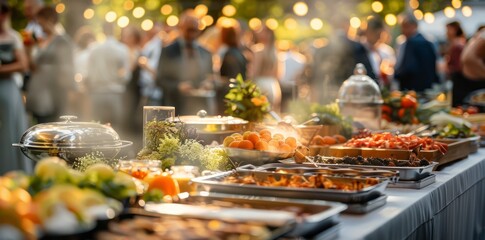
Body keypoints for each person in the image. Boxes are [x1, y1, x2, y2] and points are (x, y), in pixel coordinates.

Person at [156, 10, 214, 115]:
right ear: (181, 28)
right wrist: (178, 86)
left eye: (196, 30)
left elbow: (210, 77)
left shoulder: (206, 52)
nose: (192, 34)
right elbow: (160, 80)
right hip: (175, 107)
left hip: (199, 109)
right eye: (189, 30)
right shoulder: (168, 51)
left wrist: (208, 84)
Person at [310, 16, 375, 104]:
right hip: (354, 100)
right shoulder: (358, 47)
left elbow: (315, 82)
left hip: (328, 102)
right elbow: (370, 76)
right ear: (347, 26)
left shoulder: (321, 50)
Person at [25, 6, 74, 123]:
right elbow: (33, 68)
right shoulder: (41, 42)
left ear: (50, 19)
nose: (39, 25)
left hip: (53, 92)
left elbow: (67, 68)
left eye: (40, 21)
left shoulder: (62, 40)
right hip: (39, 91)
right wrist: (29, 51)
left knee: (52, 125)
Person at [0, 3, 33, 174]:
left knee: (9, 128)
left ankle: (11, 170)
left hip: (7, 88)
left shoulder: (13, 37)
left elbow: (23, 64)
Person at [86, 22, 131, 134]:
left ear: (102, 31)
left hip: (97, 92)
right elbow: (126, 75)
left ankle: (96, 151)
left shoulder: (93, 48)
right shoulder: (122, 49)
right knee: (116, 129)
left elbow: (89, 73)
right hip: (115, 92)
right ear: (114, 31)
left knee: (96, 127)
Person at [394, 14, 440, 92]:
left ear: (414, 26)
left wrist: (396, 75)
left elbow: (408, 67)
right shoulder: (428, 41)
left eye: (405, 26)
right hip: (426, 87)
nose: (403, 30)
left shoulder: (411, 42)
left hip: (412, 89)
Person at [217, 24, 248, 114]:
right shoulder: (239, 52)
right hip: (239, 94)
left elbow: (231, 77)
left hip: (230, 96)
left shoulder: (229, 53)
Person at [250, 26, 281, 112]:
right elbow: (279, 74)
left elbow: (254, 72)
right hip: (273, 85)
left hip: (261, 84)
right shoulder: (274, 51)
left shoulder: (259, 50)